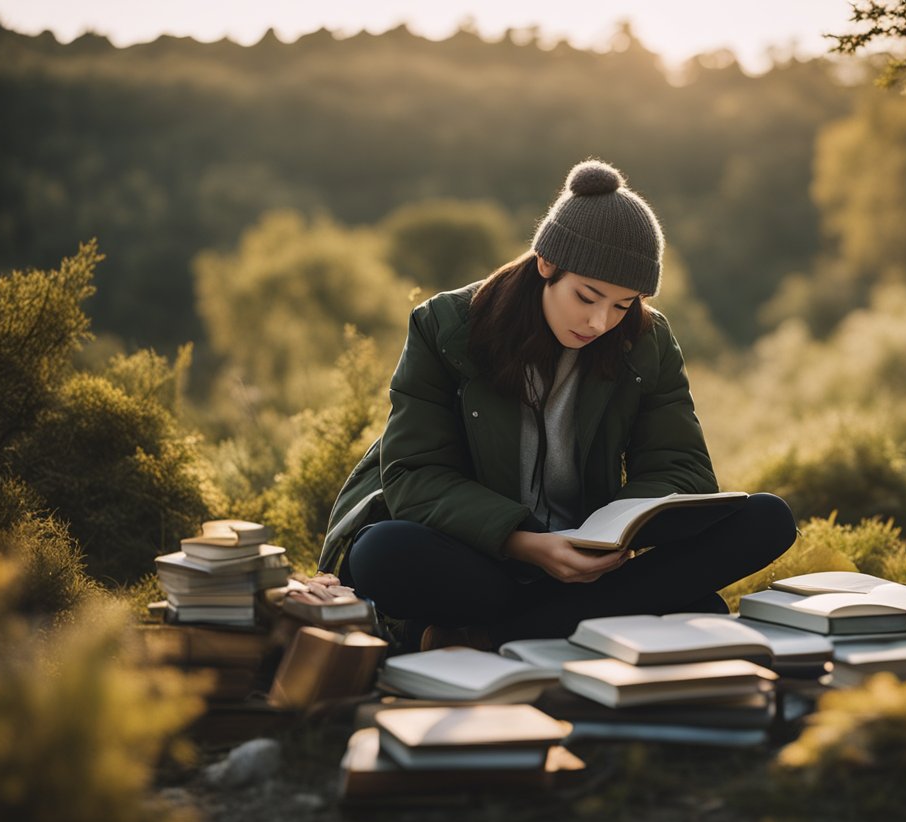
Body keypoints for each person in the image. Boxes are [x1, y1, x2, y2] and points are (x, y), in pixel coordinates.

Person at [318, 159, 797, 652]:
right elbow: (415, 476)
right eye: (587, 296)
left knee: (766, 519)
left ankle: (496, 637)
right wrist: (524, 543)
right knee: (381, 552)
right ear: (547, 263)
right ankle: (597, 616)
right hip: (484, 558)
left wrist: (609, 537)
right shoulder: (446, 327)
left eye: (623, 304)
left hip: (592, 564)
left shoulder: (647, 341)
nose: (599, 322)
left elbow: (684, 472)